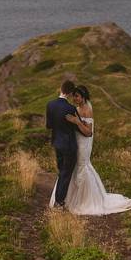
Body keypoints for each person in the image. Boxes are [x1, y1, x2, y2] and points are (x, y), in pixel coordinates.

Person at [48, 84, 131, 215]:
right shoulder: (76, 108)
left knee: (81, 166)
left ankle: (84, 200)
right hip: (74, 141)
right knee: (71, 169)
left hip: (83, 143)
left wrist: (77, 122)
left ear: (83, 97)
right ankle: (66, 199)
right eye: (74, 96)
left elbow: (88, 132)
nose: (75, 99)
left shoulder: (87, 110)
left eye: (77, 96)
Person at [45, 80, 80, 209]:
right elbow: (77, 128)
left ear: (61, 89)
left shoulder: (50, 105)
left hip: (57, 143)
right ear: (70, 93)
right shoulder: (71, 108)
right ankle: (59, 202)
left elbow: (49, 126)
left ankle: (58, 199)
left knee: (62, 171)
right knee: (66, 173)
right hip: (69, 145)